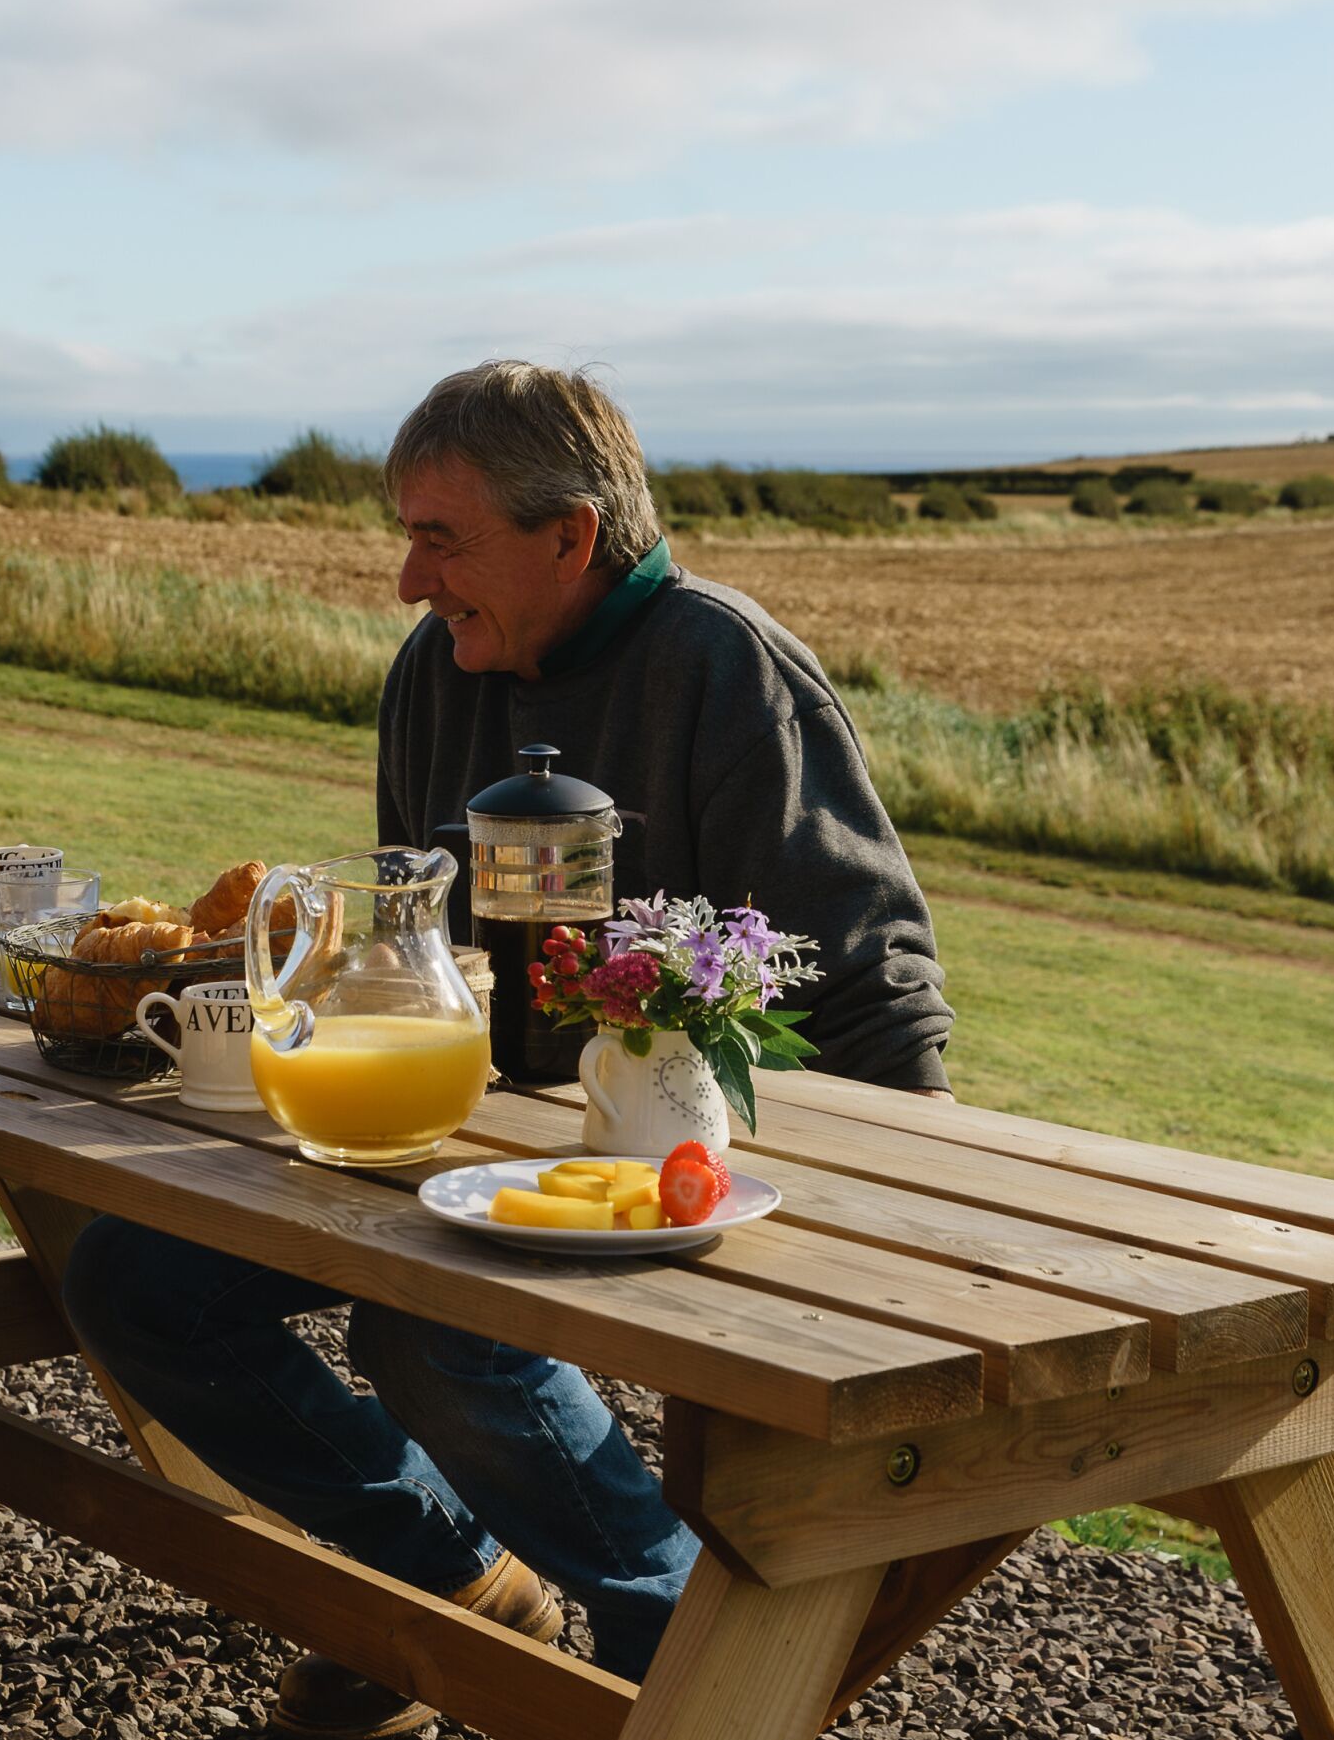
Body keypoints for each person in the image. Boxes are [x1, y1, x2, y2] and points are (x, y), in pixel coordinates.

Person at [63, 360, 953, 1738]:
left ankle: (683, 1654)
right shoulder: (439, 667)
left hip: (660, 1155)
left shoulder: (726, 668)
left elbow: (870, 972)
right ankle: (450, 1589)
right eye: (406, 536)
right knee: (135, 1279)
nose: (408, 581)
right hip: (457, 1134)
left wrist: (911, 1235)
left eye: (441, 538)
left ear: (569, 536)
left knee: (433, 1327)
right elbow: (402, 931)